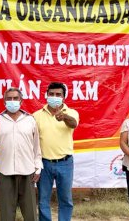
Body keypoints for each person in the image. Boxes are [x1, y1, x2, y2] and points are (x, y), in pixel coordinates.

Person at [0, 87, 43, 221]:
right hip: (5, 171)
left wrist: (38, 167)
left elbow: (36, 146)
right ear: (4, 101)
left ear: (21, 101)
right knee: (6, 213)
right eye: (9, 98)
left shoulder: (30, 120)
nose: (12, 101)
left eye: (15, 98)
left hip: (27, 171)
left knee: (30, 213)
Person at [33, 82, 79, 221]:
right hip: (44, 163)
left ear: (64, 97)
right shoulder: (36, 115)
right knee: (43, 200)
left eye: (58, 95)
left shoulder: (71, 113)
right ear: (46, 95)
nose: (54, 97)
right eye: (51, 94)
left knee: (65, 199)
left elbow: (74, 124)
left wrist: (64, 117)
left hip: (65, 162)